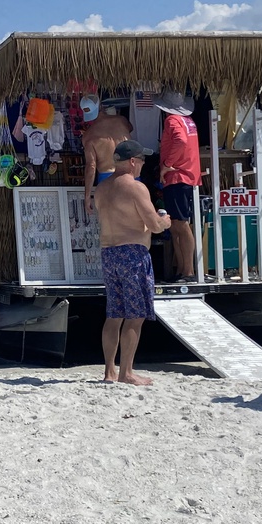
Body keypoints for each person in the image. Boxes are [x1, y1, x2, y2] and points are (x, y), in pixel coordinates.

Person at [95, 139, 171, 385]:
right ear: (132, 162)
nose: (142, 166)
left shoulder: (102, 189)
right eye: (141, 161)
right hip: (133, 254)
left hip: (109, 253)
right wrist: (165, 220)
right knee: (135, 315)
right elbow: (155, 225)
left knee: (114, 314)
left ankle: (109, 372)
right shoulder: (136, 188)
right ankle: (127, 372)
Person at [156, 90, 200, 281]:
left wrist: (166, 165)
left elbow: (180, 142)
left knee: (181, 224)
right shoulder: (188, 121)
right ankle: (182, 269)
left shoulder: (172, 120)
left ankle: (188, 271)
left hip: (177, 176)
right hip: (187, 174)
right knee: (176, 224)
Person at [82, 95, 134, 215]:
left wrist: (87, 196)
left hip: (108, 178)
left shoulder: (89, 136)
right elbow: (130, 128)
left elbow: (91, 166)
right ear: (100, 106)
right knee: (135, 219)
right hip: (131, 173)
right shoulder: (122, 121)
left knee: (113, 222)